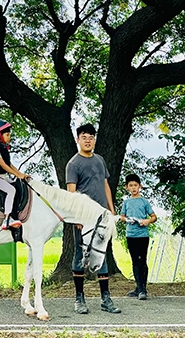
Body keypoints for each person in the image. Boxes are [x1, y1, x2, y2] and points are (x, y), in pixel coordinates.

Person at [66, 123, 121, 315]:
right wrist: (76, 218)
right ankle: (79, 298)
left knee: (102, 253)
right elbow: (71, 194)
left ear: (94, 140)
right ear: (78, 140)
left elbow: (106, 186)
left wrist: (111, 212)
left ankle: (106, 299)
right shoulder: (73, 164)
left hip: (102, 217)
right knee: (80, 256)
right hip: (84, 218)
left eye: (90, 137)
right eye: (84, 137)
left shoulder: (100, 160)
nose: (87, 140)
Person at [0, 120, 29, 230]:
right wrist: (17, 175)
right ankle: (7, 219)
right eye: (7, 135)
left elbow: (10, 165)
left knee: (18, 186)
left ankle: (16, 214)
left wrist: (21, 174)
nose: (9, 137)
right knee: (11, 190)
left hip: (3, 177)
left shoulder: (4, 149)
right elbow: (4, 166)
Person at [120, 173, 156, 300]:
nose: (134, 188)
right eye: (131, 185)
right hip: (131, 235)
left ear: (140, 186)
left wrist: (146, 221)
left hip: (142, 235)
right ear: (127, 187)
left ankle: (143, 289)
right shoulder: (127, 202)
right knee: (135, 260)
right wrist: (127, 220)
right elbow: (122, 217)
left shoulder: (144, 202)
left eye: (136, 185)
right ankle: (138, 287)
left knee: (142, 260)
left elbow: (153, 217)